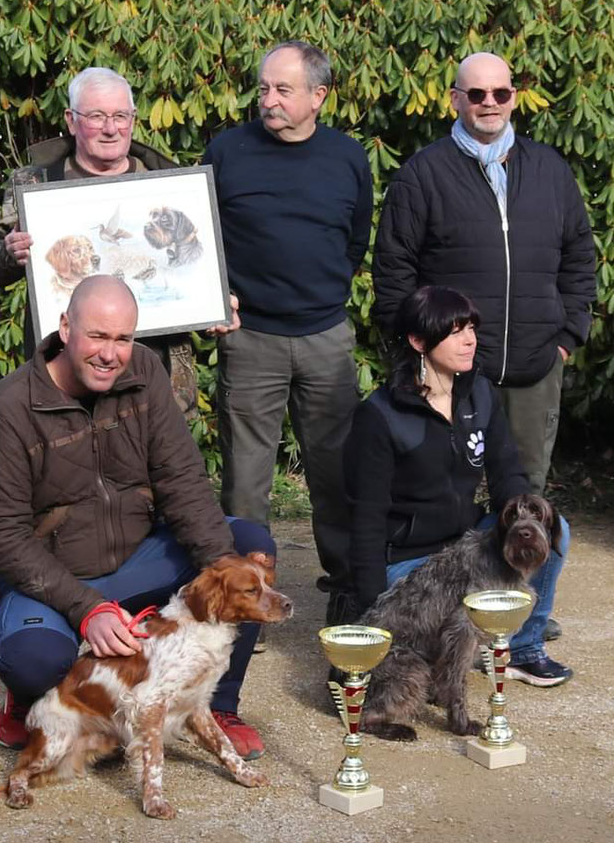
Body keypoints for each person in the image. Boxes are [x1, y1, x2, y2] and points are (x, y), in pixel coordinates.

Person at [0, 275, 276, 759]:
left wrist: (222, 565)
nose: (111, 354)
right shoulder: (9, 409)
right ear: (65, 327)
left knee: (247, 550)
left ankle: (218, 706)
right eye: (97, 336)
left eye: (123, 339)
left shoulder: (145, 373)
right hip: (54, 578)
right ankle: (28, 699)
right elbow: (0, 534)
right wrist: (85, 608)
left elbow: (181, 479)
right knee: (34, 660)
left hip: (138, 557)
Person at [372, 52, 596, 498]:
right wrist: (416, 349)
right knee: (445, 495)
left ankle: (521, 573)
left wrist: (568, 336)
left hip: (535, 366)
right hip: (451, 370)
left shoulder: (550, 170)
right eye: (476, 94)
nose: (488, 102)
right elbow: (394, 269)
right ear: (456, 100)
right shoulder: (423, 175)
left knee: (525, 499)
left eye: (500, 92)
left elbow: (579, 255)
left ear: (514, 98)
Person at [202, 41, 372, 625]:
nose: (268, 100)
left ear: (318, 96)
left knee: (337, 474)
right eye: (264, 88)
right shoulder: (227, 151)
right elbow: (198, 238)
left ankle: (348, 590)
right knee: (246, 483)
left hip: (326, 336)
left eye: (283, 90)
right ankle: (248, 601)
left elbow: (355, 240)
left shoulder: (347, 157)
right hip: (251, 338)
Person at [0, 66, 237, 417]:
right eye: (97, 116)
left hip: (155, 378)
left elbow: (190, 274)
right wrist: (8, 253)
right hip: (64, 380)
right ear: (71, 120)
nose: (111, 129)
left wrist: (214, 310)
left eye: (120, 116)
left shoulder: (170, 185)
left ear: (133, 119)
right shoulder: (35, 184)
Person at [344, 285, 572, 687]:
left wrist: (526, 517)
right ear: (418, 341)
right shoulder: (379, 415)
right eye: (455, 332)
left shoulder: (479, 393)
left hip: (466, 542)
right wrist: (371, 615)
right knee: (431, 632)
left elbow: (508, 475)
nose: (470, 340)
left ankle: (522, 647)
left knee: (555, 530)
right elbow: (366, 518)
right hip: (407, 560)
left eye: (471, 329)